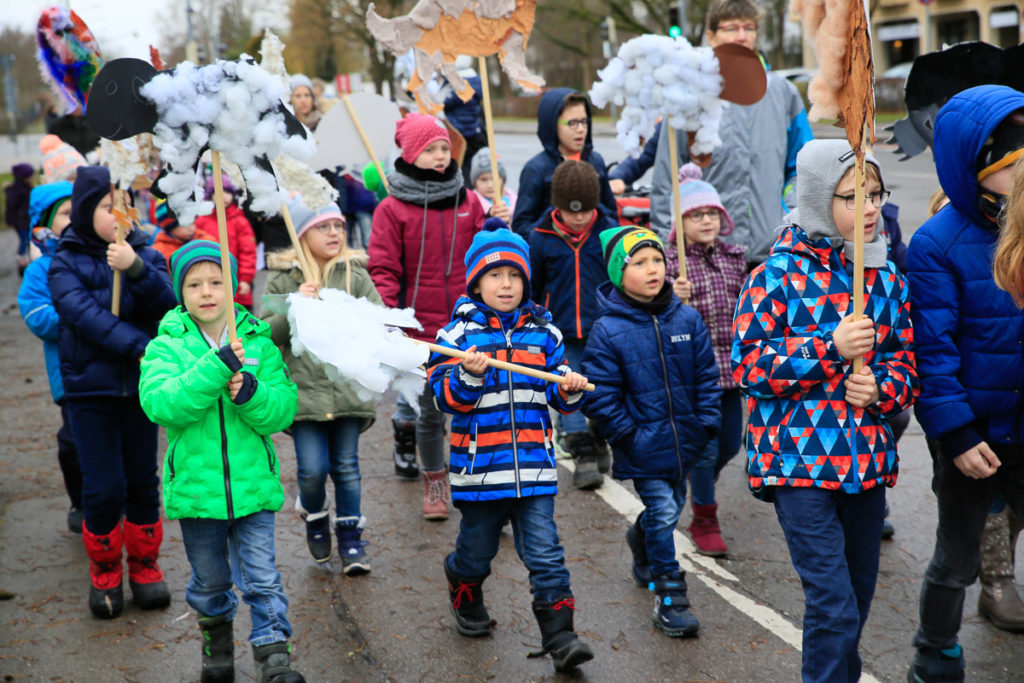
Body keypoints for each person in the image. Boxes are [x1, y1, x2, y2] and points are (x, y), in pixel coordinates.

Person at [732, 140, 917, 682]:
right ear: (817, 198)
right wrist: (829, 348)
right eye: (853, 197)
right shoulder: (773, 277)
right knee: (833, 607)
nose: (870, 208)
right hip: (798, 465)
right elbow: (749, 367)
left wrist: (881, 389)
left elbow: (907, 368)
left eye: (876, 194)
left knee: (854, 604)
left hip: (866, 466)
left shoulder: (886, 279)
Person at [428, 220, 594, 672]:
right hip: (481, 471)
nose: (507, 284)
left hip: (535, 468)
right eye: (496, 275)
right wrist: (469, 375)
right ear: (476, 283)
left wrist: (569, 387)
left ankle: (560, 636)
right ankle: (463, 582)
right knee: (477, 551)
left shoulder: (545, 333)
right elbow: (446, 399)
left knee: (545, 553)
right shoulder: (455, 338)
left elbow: (556, 390)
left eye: (515, 275)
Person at [138, 240, 303, 683]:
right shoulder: (166, 346)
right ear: (180, 291)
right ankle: (217, 644)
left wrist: (252, 393)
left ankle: (274, 654)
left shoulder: (258, 342)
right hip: (198, 491)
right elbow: (161, 404)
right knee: (210, 582)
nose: (207, 292)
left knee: (262, 578)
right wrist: (214, 368)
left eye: (217, 282)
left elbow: (283, 409)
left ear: (234, 286)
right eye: (194, 284)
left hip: (253, 487)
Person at [907, 86, 1024, 681]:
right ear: (976, 168)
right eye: (1014, 163)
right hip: (975, 434)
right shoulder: (938, 244)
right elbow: (933, 352)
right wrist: (955, 434)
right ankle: (934, 654)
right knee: (956, 559)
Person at [48, 166, 178, 619]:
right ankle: (105, 570)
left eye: (125, 205)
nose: (119, 215)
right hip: (91, 392)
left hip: (140, 391)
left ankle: (145, 564)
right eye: (107, 207)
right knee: (103, 487)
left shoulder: (146, 253)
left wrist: (136, 268)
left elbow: (167, 304)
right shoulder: (65, 262)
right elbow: (85, 317)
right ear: (86, 211)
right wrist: (141, 348)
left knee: (142, 480)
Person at [582, 226, 721, 638]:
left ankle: (640, 539)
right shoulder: (608, 329)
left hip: (685, 441)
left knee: (670, 507)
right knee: (663, 512)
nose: (652, 269)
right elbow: (600, 394)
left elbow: (707, 376)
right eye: (639, 262)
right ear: (618, 273)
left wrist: (706, 422)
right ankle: (670, 595)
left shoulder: (687, 318)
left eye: (657, 259)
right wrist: (627, 436)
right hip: (642, 444)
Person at [367, 112, 489, 519]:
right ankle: (435, 480)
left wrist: (496, 226)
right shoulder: (391, 209)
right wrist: (391, 317)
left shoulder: (468, 201)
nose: (440, 156)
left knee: (477, 406)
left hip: (469, 325)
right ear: (409, 155)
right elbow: (383, 268)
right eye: (430, 150)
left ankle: (484, 484)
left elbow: (486, 257)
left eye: (443, 148)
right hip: (420, 332)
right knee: (431, 411)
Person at [262, 199, 381, 574]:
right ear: (301, 236)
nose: (335, 233)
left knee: (346, 467)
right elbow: (266, 334)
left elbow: (377, 320)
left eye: (339, 226)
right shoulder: (283, 279)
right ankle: (314, 514)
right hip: (305, 396)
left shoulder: (354, 276)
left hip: (347, 392)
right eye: (323, 227)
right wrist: (295, 306)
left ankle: (351, 538)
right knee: (312, 470)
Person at [650, 0, 813, 265]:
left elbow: (804, 166)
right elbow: (667, 178)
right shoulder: (687, 95)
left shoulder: (784, 93)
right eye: (731, 28)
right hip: (707, 257)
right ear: (711, 36)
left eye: (749, 27)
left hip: (773, 252)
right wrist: (667, 248)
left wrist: (790, 211)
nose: (741, 36)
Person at [664, 163, 746, 557]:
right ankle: (704, 518)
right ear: (680, 223)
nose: (707, 220)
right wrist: (670, 294)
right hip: (694, 372)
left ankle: (696, 482)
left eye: (712, 213)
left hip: (731, 370)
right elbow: (654, 312)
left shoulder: (734, 258)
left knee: (730, 444)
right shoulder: (670, 264)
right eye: (696, 215)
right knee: (707, 446)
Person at [528, 160, 617, 489]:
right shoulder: (540, 237)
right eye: (570, 211)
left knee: (605, 395)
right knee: (570, 389)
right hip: (561, 332)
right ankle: (583, 454)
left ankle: (599, 435)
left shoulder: (608, 233)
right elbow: (534, 287)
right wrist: (535, 321)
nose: (578, 218)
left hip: (603, 331)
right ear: (557, 206)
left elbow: (620, 281)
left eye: (585, 211)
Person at [17, 180, 83, 533]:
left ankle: (117, 499)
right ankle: (81, 500)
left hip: (110, 370)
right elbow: (38, 317)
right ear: (44, 223)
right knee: (74, 442)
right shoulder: (40, 270)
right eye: (65, 212)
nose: (75, 218)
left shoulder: (99, 257)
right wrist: (85, 316)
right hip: (70, 374)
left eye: (78, 210)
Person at [511, 88, 617, 237]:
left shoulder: (596, 161)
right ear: (552, 124)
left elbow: (611, 214)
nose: (580, 129)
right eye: (572, 123)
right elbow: (521, 225)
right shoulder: (535, 169)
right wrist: (548, 238)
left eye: (584, 122)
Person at [194, 174, 257, 310]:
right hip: (210, 280)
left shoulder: (240, 221)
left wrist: (245, 279)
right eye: (218, 192)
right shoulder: (202, 221)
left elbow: (248, 253)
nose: (223, 196)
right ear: (210, 196)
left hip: (236, 281)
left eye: (227, 192)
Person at [151, 200, 215, 264]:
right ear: (170, 227)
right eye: (186, 224)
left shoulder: (206, 240)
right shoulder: (159, 251)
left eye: (193, 222)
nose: (192, 228)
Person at [469, 148, 517, 216]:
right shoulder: (472, 204)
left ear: (502, 180)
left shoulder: (514, 200)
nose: (490, 185)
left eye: (495, 179)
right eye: (484, 179)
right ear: (475, 182)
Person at [6, 163, 34, 274]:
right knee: (25, 240)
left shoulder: (26, 187)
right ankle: (22, 262)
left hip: (26, 220)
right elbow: (11, 207)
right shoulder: (17, 190)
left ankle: (28, 260)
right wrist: (10, 221)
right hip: (20, 221)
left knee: (28, 240)